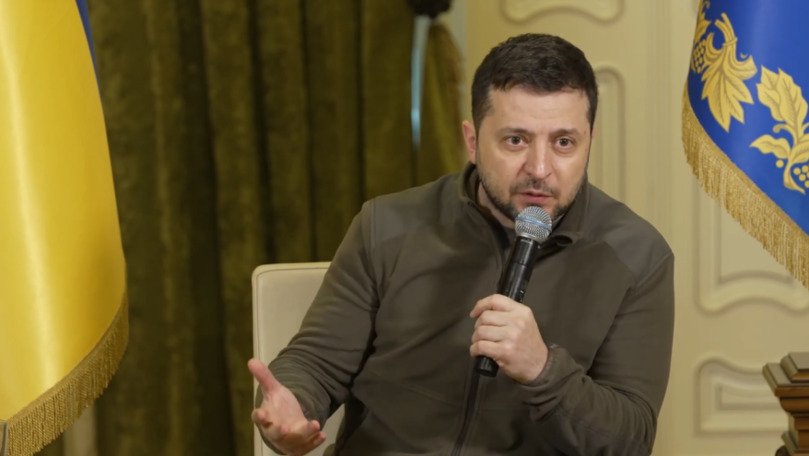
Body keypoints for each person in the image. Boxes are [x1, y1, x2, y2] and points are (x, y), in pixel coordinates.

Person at [249, 33, 674, 455]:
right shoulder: (387, 224)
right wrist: (292, 406)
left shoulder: (638, 255)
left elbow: (630, 440)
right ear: (472, 142)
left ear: (588, 142)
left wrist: (543, 370)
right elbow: (317, 362)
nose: (540, 168)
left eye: (564, 143)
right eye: (516, 140)